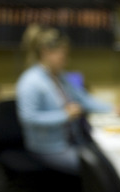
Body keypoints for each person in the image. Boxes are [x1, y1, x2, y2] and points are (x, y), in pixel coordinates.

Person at [15, 24, 112, 176]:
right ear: (46, 52)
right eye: (62, 55)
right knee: (98, 170)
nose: (66, 60)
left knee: (109, 160)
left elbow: (84, 99)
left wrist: (113, 109)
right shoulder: (30, 81)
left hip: (74, 142)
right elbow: (29, 118)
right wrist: (65, 115)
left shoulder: (60, 77)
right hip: (49, 148)